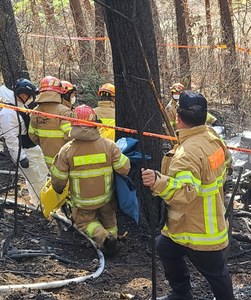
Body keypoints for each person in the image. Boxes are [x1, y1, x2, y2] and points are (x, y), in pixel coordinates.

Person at [141, 91, 234, 300]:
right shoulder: (211, 137)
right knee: (164, 247)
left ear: (177, 118)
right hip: (190, 223)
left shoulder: (186, 154)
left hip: (199, 231)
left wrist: (157, 181)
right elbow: (227, 164)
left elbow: (185, 192)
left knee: (217, 275)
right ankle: (182, 294)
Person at [51, 105, 130, 257]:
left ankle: (104, 238)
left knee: (85, 223)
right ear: (94, 123)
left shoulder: (67, 150)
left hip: (83, 202)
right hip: (107, 197)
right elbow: (124, 168)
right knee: (109, 220)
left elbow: (59, 179)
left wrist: (58, 189)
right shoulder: (109, 145)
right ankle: (113, 240)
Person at [0, 79, 48, 206]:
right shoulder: (8, 113)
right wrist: (20, 157)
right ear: (22, 94)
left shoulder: (20, 106)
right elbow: (11, 139)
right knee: (35, 180)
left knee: (42, 175)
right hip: (24, 151)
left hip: (34, 147)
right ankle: (43, 206)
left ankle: (41, 201)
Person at [28, 76, 72, 168]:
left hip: (47, 161)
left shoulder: (35, 112)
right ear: (58, 93)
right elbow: (71, 136)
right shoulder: (64, 112)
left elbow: (32, 135)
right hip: (65, 160)